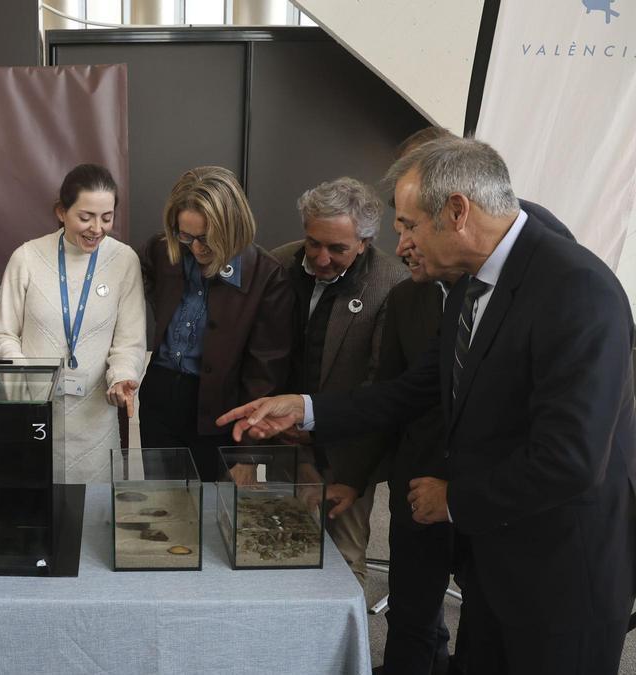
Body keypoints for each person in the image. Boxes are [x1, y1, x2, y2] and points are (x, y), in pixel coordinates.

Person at [219, 136, 636, 675]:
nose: (403, 241)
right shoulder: (470, 286)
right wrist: (305, 408)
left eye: (409, 225)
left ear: (457, 211)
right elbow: (415, 389)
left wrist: (454, 500)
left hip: (563, 573)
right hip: (494, 561)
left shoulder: (578, 289)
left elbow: (571, 459)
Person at [270, 177, 408, 589]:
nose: (321, 258)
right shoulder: (278, 264)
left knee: (344, 566)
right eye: (313, 243)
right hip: (279, 439)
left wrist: (355, 473)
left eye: (337, 249)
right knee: (274, 548)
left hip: (347, 452)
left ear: (364, 242)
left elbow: (380, 385)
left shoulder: (393, 285)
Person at [0, 164, 146, 482]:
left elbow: (129, 341)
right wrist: (30, 381)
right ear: (61, 211)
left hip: (96, 419)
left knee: (96, 516)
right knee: (38, 511)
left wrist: (122, 377)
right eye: (85, 217)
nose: (97, 229)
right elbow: (3, 335)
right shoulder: (28, 257)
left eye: (107, 217)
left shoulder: (123, 260)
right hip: (37, 413)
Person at [139, 166, 293, 482]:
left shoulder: (267, 275)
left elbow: (265, 372)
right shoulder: (164, 250)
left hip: (220, 411)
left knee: (210, 511)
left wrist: (249, 455)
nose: (196, 249)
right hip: (160, 398)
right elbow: (143, 282)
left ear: (232, 227)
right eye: (187, 236)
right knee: (162, 506)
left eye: (207, 239)